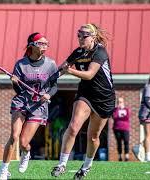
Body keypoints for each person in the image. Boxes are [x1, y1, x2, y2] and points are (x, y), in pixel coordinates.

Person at [51, 23, 115, 179]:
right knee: (73, 127)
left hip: (104, 99)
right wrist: (46, 80)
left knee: (93, 137)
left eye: (84, 36)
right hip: (85, 95)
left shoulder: (100, 52)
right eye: (78, 35)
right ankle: (62, 164)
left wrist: (70, 70)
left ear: (92, 37)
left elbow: (89, 74)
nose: (80, 38)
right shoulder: (78, 52)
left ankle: (86, 166)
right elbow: (61, 69)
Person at [0, 32, 58, 180]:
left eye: (46, 44)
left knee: (24, 143)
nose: (44, 46)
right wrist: (15, 82)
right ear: (32, 45)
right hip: (22, 103)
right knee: (14, 136)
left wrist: (48, 95)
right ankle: (3, 171)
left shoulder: (51, 64)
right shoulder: (21, 64)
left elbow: (54, 86)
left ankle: (26, 153)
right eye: (41, 43)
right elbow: (18, 91)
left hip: (39, 106)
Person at [112, 97, 130, 161]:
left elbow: (127, 117)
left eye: (121, 102)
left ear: (123, 102)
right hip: (117, 128)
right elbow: (114, 117)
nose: (119, 103)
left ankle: (126, 156)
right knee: (119, 142)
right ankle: (119, 156)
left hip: (125, 128)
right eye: (118, 102)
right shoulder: (115, 110)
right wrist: (118, 110)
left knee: (126, 141)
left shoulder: (126, 109)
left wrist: (120, 117)